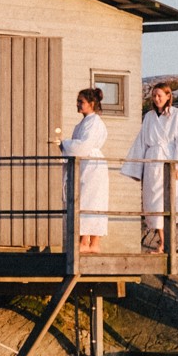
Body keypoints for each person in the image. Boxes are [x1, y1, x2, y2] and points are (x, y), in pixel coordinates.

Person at [122, 81, 178, 252]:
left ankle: (167, 243)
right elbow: (141, 143)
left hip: (170, 161)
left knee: (169, 200)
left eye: (160, 95)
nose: (156, 98)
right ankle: (162, 242)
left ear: (168, 96)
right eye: (154, 95)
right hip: (152, 162)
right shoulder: (149, 117)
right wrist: (136, 168)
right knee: (153, 202)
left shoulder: (177, 115)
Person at [58, 87, 109, 253]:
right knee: (84, 200)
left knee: (92, 201)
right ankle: (86, 241)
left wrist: (64, 143)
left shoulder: (95, 123)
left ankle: (92, 243)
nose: (78, 104)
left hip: (93, 164)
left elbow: (85, 146)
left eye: (81, 102)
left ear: (91, 104)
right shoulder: (82, 124)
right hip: (85, 164)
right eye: (78, 101)